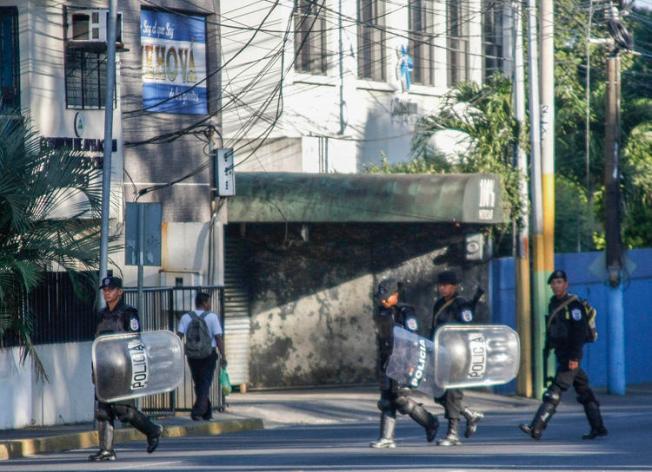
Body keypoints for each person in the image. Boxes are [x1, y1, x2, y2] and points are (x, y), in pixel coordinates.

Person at [519, 270, 608, 440]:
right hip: (562, 352)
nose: (556, 285)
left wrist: (574, 358)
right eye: (554, 283)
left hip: (571, 355)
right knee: (583, 390)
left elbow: (579, 333)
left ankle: (536, 427)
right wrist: (547, 348)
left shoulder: (573, 305)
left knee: (555, 390)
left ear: (566, 284)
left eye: (559, 282)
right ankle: (598, 427)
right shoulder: (553, 303)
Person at [89, 276, 162, 462]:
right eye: (105, 290)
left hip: (123, 368)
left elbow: (135, 341)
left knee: (123, 410)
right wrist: (94, 368)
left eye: (111, 289)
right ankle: (106, 450)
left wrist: (135, 368)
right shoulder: (100, 315)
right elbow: (97, 344)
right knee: (102, 410)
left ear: (120, 292)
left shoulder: (128, 313)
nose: (107, 292)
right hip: (104, 369)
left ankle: (152, 430)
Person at [370, 279, 439, 448]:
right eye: (381, 297)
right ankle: (387, 438)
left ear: (396, 295)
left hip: (402, 361)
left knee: (401, 400)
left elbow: (414, 341)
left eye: (387, 297)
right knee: (386, 400)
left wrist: (412, 364)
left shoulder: (405, 312)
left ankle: (430, 422)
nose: (383, 300)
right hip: (386, 361)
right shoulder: (381, 311)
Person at [430, 270, 484, 446]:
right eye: (440, 285)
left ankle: (453, 434)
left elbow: (468, 329)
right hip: (441, 354)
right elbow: (435, 329)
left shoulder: (462, 305)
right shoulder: (438, 304)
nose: (442, 288)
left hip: (458, 355)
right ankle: (469, 414)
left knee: (453, 393)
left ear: (454, 287)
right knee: (439, 394)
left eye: (446, 285)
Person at [177, 292, 226, 421]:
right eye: (209, 302)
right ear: (204, 303)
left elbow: (179, 336)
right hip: (208, 354)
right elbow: (218, 338)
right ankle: (197, 412)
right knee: (204, 383)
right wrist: (223, 355)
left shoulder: (186, 317)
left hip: (192, 355)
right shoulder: (212, 317)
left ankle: (207, 412)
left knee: (199, 382)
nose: (210, 304)